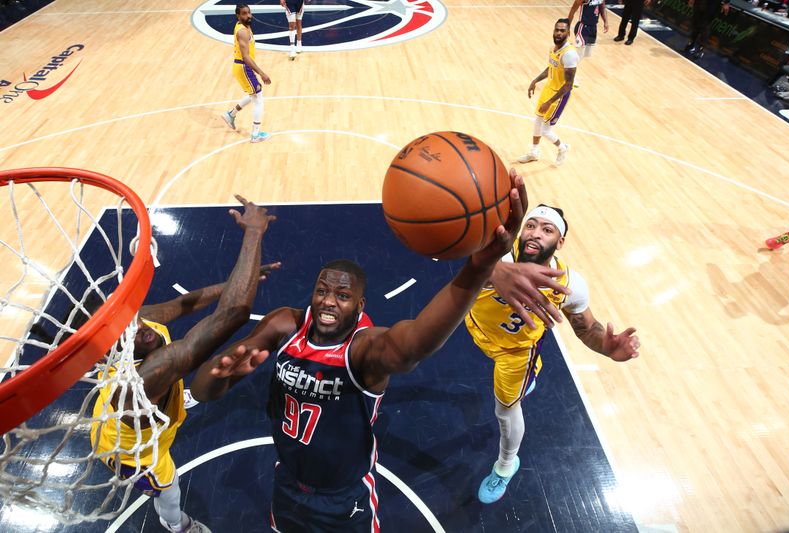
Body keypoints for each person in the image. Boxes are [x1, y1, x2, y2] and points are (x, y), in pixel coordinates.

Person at [191, 171, 571, 531]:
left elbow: (416, 343)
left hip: (343, 499)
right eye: (323, 291)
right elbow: (206, 392)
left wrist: (478, 268)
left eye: (342, 296)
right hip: (287, 483)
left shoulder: (365, 349)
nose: (328, 302)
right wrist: (220, 376)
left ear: (360, 307)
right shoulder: (283, 325)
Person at [91, 196, 276, 533]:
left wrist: (241, 277)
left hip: (148, 404)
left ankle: (176, 401)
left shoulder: (139, 326)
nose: (139, 327)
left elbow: (182, 304)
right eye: (124, 333)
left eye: (129, 319)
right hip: (136, 453)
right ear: (110, 353)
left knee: (173, 381)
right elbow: (233, 314)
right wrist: (253, 234)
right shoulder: (146, 377)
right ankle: (177, 525)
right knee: (169, 487)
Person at [465, 204, 641, 504]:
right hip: (476, 327)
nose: (535, 234)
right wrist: (493, 269)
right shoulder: (497, 257)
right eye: (530, 226)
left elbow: (587, 328)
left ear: (560, 243)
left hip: (516, 353)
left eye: (547, 230)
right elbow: (463, 252)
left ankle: (505, 466)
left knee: (505, 410)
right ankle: (525, 384)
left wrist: (607, 347)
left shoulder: (569, 284)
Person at [517, 19, 578, 167]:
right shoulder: (553, 48)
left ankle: (562, 148)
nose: (558, 32)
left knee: (545, 130)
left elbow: (569, 84)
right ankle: (534, 152)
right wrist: (535, 80)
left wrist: (549, 101)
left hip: (560, 95)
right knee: (537, 121)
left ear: (568, 33)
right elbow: (551, 67)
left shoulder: (569, 54)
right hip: (549, 89)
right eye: (557, 29)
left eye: (562, 30)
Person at [221, 4, 272, 142]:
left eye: (249, 12)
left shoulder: (244, 25)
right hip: (244, 67)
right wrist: (262, 73)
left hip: (242, 66)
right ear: (238, 16)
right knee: (258, 98)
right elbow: (246, 57)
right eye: (244, 13)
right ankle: (255, 135)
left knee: (254, 93)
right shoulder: (243, 31)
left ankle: (231, 114)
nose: (248, 15)